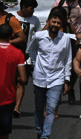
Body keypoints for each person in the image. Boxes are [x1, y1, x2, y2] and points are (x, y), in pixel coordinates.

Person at [27, 10, 74, 139]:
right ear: (48, 22)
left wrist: (67, 79)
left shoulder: (65, 39)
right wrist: (35, 63)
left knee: (51, 109)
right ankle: (39, 131)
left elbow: (68, 60)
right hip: (40, 77)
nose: (55, 24)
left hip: (57, 79)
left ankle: (45, 136)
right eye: (53, 21)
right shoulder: (38, 36)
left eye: (58, 23)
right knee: (38, 108)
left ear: (61, 25)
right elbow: (31, 50)